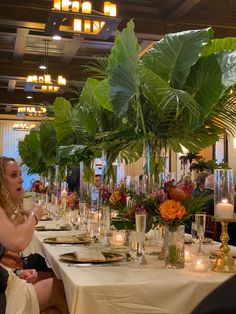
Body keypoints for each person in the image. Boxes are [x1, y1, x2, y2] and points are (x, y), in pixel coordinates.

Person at [0, 156, 69, 314]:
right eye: (13, 175)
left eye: (20, 174)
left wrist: (17, 272)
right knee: (58, 288)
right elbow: (18, 241)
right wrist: (34, 216)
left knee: (52, 311)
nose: (21, 180)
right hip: (4, 295)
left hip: (7, 280)